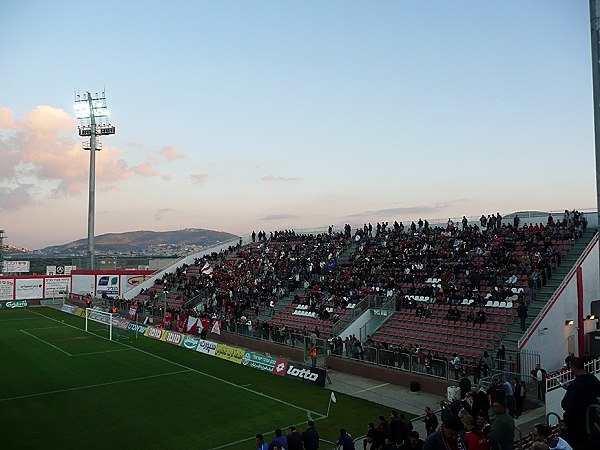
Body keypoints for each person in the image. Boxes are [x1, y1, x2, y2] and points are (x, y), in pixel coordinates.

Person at [561, 356, 600, 449]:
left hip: (577, 426)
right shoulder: (593, 379)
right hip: (591, 421)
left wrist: (566, 421)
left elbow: (569, 405)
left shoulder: (575, 385)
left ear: (574, 367)